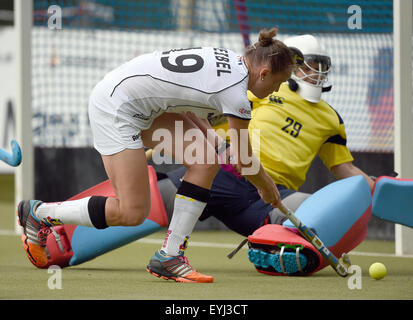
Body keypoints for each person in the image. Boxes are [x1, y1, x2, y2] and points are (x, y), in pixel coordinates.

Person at [17, 28, 297, 283]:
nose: (276, 90)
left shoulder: (229, 59)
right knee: (131, 212)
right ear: (263, 74)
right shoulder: (237, 94)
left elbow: (182, 97)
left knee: (205, 162)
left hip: (144, 103)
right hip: (117, 108)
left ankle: (171, 257)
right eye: (278, 83)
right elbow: (245, 162)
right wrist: (268, 188)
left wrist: (209, 134)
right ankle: (39, 213)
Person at [162, 34, 375, 237]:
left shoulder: (331, 119)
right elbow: (216, 118)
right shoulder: (266, 89)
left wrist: (376, 188)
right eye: (309, 66)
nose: (315, 73)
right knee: (149, 200)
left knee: (318, 214)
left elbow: (344, 167)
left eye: (320, 67)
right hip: (226, 173)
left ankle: (275, 248)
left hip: (271, 196)